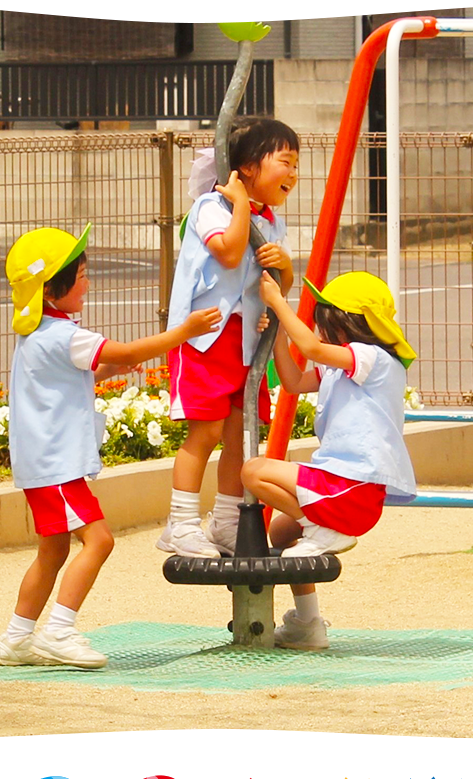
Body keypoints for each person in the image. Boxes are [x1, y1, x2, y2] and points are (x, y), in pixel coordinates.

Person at [0, 225, 224, 668]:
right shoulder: (64, 335)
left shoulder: (43, 332)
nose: (88, 282)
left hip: (45, 465)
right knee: (99, 541)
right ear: (52, 288)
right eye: (81, 274)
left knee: (54, 550)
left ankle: (17, 638)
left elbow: (83, 370)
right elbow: (125, 351)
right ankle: (59, 631)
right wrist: (185, 331)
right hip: (56, 466)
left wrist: (114, 368)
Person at [242, 271, 418, 651]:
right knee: (283, 533)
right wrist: (276, 334)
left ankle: (325, 530)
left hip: (350, 487)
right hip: (342, 488)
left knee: (253, 471)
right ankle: (308, 624)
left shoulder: (373, 358)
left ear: (345, 322)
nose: (318, 327)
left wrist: (277, 302)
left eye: (324, 318)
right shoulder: (340, 366)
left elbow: (313, 349)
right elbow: (291, 381)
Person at [160, 117, 301, 558]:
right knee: (205, 431)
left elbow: (274, 281)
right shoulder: (211, 207)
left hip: (245, 342)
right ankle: (180, 523)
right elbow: (229, 250)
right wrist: (239, 203)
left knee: (240, 432)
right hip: (207, 335)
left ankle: (224, 520)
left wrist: (288, 268)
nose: (293, 174)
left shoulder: (269, 220)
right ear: (247, 168)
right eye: (285, 162)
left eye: (296, 164)